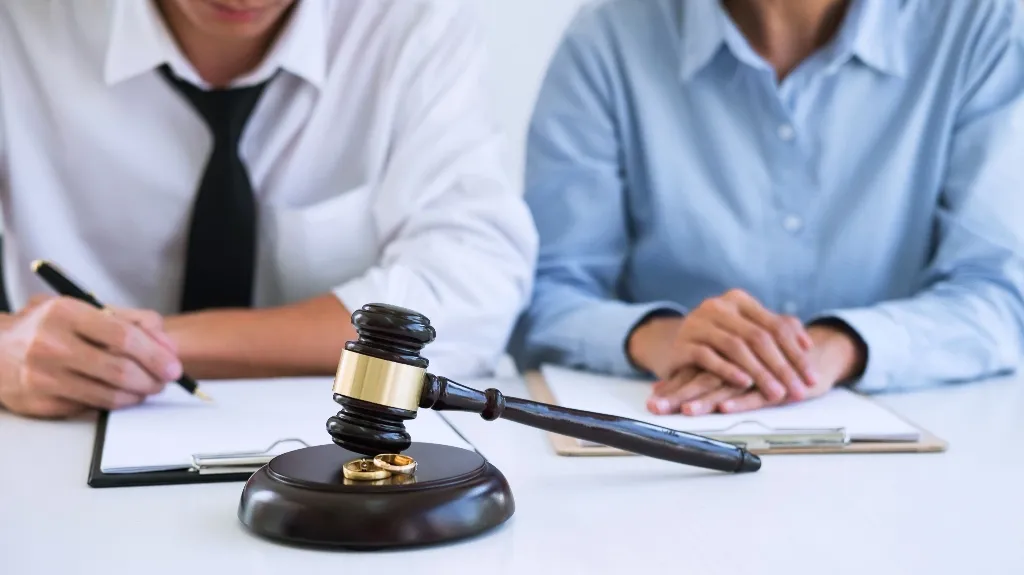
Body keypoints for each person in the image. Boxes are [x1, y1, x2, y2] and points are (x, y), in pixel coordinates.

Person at [0, 0, 538, 418]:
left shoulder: (411, 22)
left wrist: (147, 347)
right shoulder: (19, 23)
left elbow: (474, 286)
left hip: (326, 446)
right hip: (57, 439)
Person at [510, 0, 1024, 416]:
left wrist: (842, 346)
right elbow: (546, 293)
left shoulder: (982, 26)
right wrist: (661, 337)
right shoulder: (607, 41)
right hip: (667, 447)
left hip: (927, 457)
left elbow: (1001, 294)